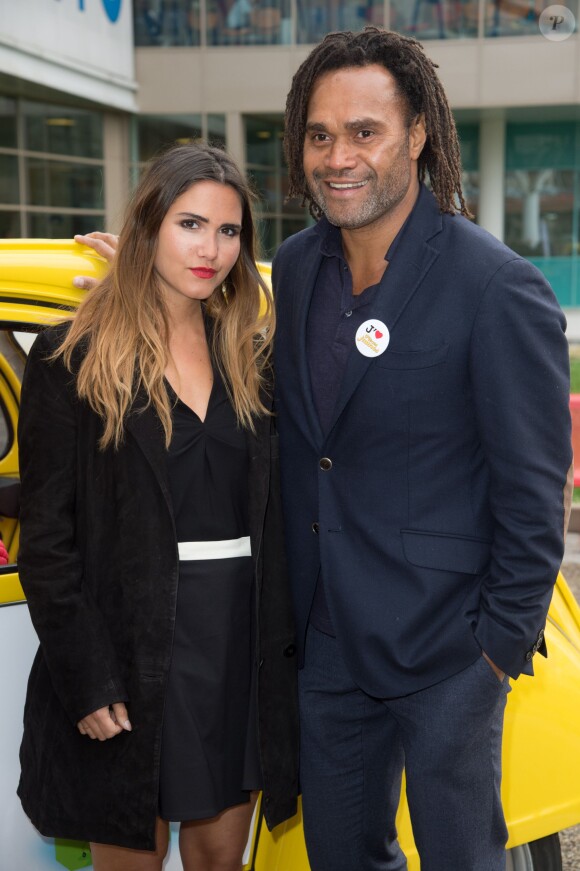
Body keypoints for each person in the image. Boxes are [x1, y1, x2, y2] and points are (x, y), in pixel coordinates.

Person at [272, 26, 572, 871]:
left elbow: (531, 491)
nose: (339, 155)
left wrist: (493, 653)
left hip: (448, 652)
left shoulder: (494, 284)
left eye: (365, 132)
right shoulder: (294, 269)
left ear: (417, 136)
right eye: (320, 134)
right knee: (340, 859)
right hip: (327, 642)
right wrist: (141, 284)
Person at [17, 142, 298, 871]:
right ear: (147, 226)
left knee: (218, 859)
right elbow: (48, 541)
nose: (211, 249)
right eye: (189, 224)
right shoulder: (70, 359)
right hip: (128, 643)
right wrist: (86, 674)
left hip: (239, 643)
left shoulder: (256, 361)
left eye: (229, 231)